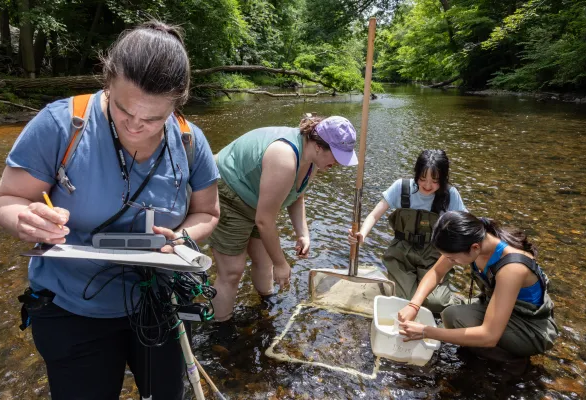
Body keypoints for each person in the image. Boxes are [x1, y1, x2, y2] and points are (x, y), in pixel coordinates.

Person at [0, 21, 220, 399]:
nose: (135, 127)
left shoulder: (190, 140)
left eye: (153, 119)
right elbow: (6, 199)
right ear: (107, 81)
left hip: (160, 304)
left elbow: (207, 213)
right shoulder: (62, 125)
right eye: (123, 110)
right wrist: (25, 219)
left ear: (178, 104)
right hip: (71, 309)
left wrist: (182, 237)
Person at [210, 115, 358, 321]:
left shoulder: (312, 160)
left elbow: (297, 193)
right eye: (336, 156)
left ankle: (267, 308)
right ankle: (221, 330)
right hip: (228, 191)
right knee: (233, 271)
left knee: (264, 261)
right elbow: (264, 221)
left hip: (256, 197)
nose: (338, 163)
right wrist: (282, 264)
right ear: (318, 146)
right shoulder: (284, 158)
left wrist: (302, 233)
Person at [398, 211, 558, 362]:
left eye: (452, 259)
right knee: (451, 315)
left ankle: (511, 362)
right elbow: (437, 272)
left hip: (531, 329)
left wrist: (427, 332)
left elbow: (489, 335)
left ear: (475, 248)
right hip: (505, 311)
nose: (449, 261)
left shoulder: (512, 268)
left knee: (458, 319)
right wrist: (413, 305)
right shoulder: (475, 238)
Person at [347, 149, 466, 312]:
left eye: (435, 181)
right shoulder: (402, 188)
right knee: (405, 302)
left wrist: (451, 259)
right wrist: (362, 234)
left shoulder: (450, 195)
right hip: (401, 255)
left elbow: (464, 229)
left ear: (444, 179)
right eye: (423, 179)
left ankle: (463, 304)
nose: (428, 186)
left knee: (435, 303)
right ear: (416, 174)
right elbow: (374, 215)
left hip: (433, 256)